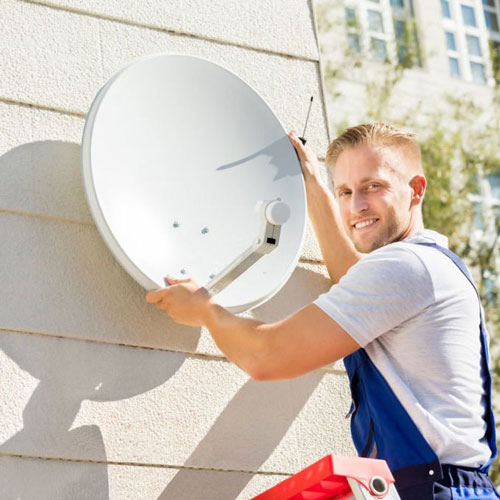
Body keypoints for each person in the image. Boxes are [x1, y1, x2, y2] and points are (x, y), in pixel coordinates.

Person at [146, 122, 498, 499]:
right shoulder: (426, 267)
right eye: (345, 191)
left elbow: (268, 356)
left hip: (431, 489)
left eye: (372, 186)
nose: (356, 205)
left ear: (416, 190)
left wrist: (206, 311)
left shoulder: (405, 266)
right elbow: (350, 274)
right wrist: (313, 185)